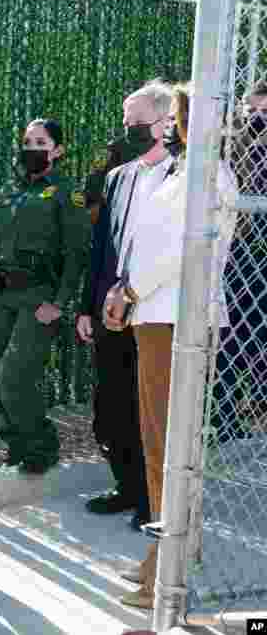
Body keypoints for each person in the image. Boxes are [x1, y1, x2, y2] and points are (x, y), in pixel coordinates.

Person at [104, 81, 236, 609]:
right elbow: (146, 244)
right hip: (155, 315)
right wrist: (125, 289)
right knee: (160, 444)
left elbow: (182, 252)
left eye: (174, 117)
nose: (165, 129)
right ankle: (167, 555)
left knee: (168, 447)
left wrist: (131, 290)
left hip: (175, 318)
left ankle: (168, 566)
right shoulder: (181, 173)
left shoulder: (208, 175)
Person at [0, 118, 91, 474]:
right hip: (3, 295)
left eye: (41, 142)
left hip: (39, 297)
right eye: (28, 141)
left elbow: (76, 253)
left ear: (58, 150)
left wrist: (59, 303)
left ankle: (41, 446)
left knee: (15, 373)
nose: (32, 148)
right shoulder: (8, 190)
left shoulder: (65, 192)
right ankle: (17, 445)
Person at [77, 133, 152, 532]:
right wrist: (86, 308)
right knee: (109, 411)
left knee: (144, 411)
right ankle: (126, 486)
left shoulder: (170, 183)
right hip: (108, 312)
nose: (127, 132)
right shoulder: (116, 180)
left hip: (146, 313)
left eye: (138, 123)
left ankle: (150, 499)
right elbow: (100, 249)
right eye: (126, 122)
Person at [213, 80, 267, 443]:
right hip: (240, 257)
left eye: (265, 112)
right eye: (253, 110)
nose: (257, 118)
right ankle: (225, 420)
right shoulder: (238, 149)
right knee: (228, 341)